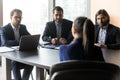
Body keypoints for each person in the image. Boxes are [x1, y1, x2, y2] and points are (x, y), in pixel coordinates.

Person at [1, 9, 33, 80]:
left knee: (31, 61)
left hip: (21, 56)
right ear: (11, 17)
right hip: (9, 58)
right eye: (16, 17)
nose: (18, 19)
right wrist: (20, 41)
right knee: (15, 62)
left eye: (20, 17)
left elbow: (29, 37)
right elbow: (5, 43)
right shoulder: (4, 29)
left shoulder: (23, 27)